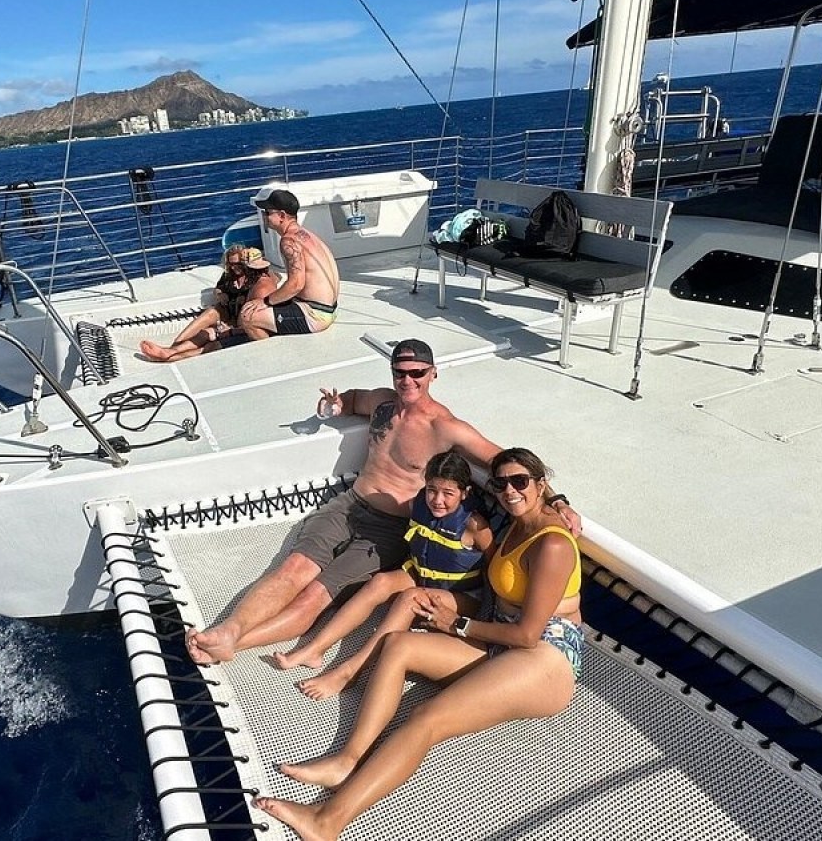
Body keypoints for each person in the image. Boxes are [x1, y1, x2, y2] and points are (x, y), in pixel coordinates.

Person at [254, 447, 584, 841]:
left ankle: (327, 822)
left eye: (520, 481)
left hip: (544, 657)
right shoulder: (518, 523)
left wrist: (456, 623)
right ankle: (348, 759)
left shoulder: (552, 544)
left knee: (427, 718)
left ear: (540, 484)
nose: (510, 490)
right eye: (501, 483)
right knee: (398, 645)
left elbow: (528, 634)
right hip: (502, 640)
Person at [185, 340, 577, 667]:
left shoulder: (445, 427)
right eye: (400, 372)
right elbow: (352, 399)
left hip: (389, 531)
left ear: (433, 373)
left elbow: (507, 462)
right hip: (349, 505)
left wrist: (556, 500)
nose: (408, 380)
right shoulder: (383, 403)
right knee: (293, 567)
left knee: (316, 593)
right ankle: (228, 630)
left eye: (417, 373)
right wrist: (334, 405)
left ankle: (232, 644)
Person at [273, 450, 493, 702]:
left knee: (411, 598)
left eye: (448, 493)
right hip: (424, 577)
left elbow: (493, 567)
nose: (437, 500)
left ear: (464, 493)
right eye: (432, 490)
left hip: (462, 596)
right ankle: (314, 650)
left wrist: (484, 618)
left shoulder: (475, 527)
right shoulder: (419, 504)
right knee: (380, 582)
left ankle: (350, 671)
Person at [140, 247, 276, 362]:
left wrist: (230, 330)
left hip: (241, 324)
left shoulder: (260, 286)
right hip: (231, 315)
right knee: (206, 329)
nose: (234, 267)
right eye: (231, 264)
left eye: (238, 264)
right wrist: (220, 294)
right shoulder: (230, 276)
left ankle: (170, 356)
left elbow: (252, 319)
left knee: (212, 343)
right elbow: (219, 288)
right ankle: (172, 349)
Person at [237, 189, 340, 340]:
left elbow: (296, 284)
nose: (264, 216)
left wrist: (265, 301)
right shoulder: (307, 235)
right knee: (270, 303)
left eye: (267, 212)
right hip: (328, 308)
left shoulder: (288, 241)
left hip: (315, 314)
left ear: (282, 216)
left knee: (248, 316)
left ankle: (274, 353)